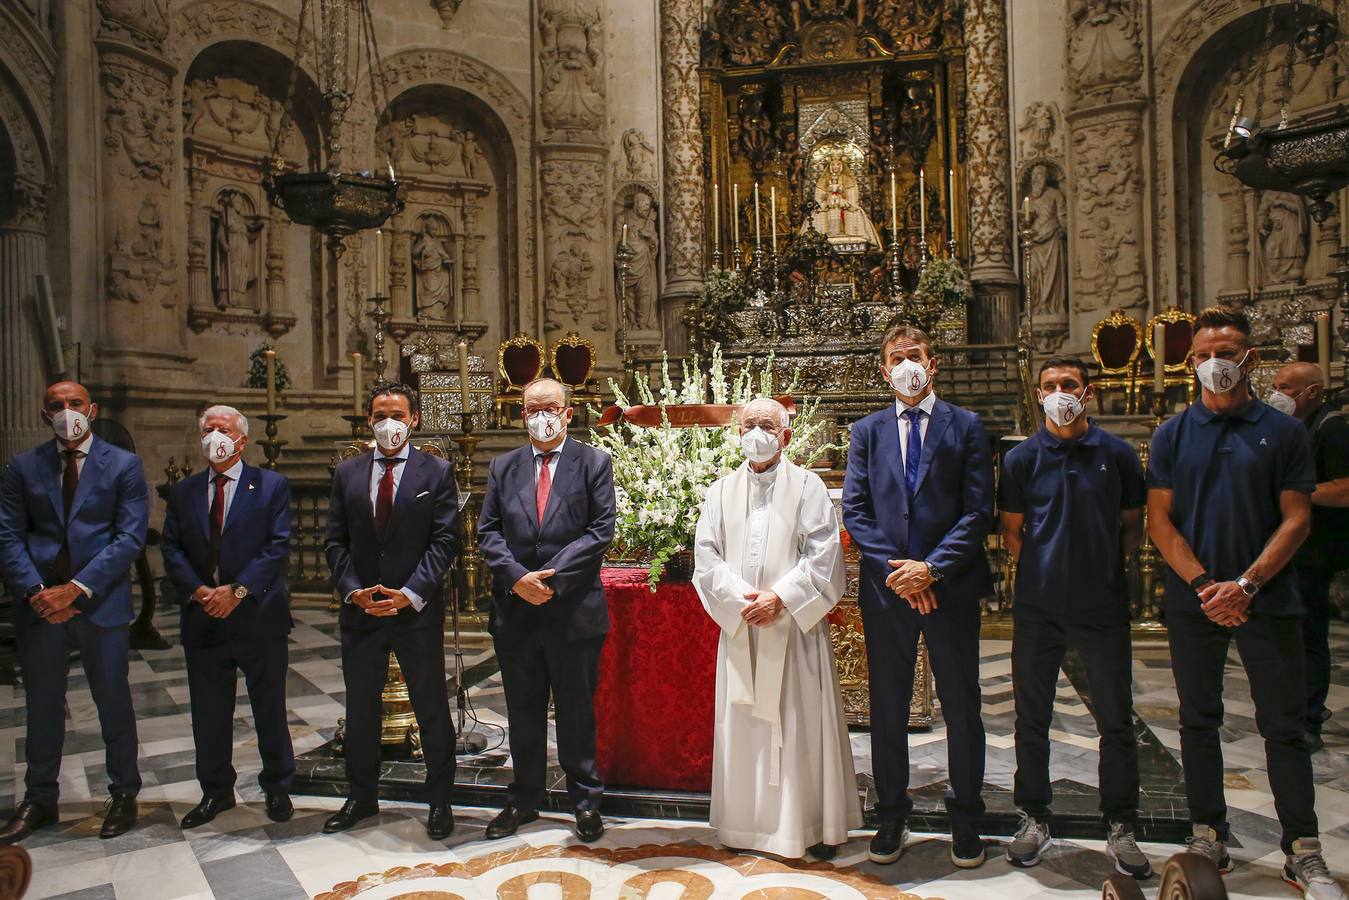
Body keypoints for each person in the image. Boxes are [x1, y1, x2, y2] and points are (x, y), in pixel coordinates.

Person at [1148, 307, 1344, 900]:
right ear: (1190, 362)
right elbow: (1159, 520)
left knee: (1284, 725)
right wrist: (1207, 585)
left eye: (1227, 352)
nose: (1216, 363)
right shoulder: (1172, 433)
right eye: (1205, 353)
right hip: (1196, 599)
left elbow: (1297, 517)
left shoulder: (1284, 432)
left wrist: (1247, 585)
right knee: (1197, 720)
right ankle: (1209, 831)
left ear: (1249, 359)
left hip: (1270, 596)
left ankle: (1302, 848)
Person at [841, 324, 994, 868]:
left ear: (934, 365)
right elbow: (855, 510)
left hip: (949, 587)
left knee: (961, 703)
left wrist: (931, 569)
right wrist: (900, 572)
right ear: (884, 370)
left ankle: (968, 816)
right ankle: (890, 815)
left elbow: (978, 511)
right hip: (888, 592)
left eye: (915, 356)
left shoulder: (968, 426)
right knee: (888, 707)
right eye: (896, 357)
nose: (906, 365)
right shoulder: (868, 430)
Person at [998, 358, 1151, 878]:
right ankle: (1035, 815)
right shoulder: (1020, 459)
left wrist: (1099, 565)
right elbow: (1013, 530)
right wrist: (1046, 569)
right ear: (1037, 393)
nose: (1059, 393)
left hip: (1102, 606)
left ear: (1087, 392)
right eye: (1050, 386)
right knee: (1030, 719)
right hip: (1039, 608)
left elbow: (1133, 525)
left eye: (1069, 385)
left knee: (1115, 718)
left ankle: (1121, 822)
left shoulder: (1117, 454)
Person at [693, 397, 862, 860]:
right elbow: (705, 559)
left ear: (786, 436)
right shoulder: (718, 492)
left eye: (767, 425)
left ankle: (809, 824)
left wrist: (780, 598)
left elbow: (824, 555)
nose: (757, 432)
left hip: (794, 633)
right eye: (749, 425)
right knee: (746, 724)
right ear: (737, 434)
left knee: (799, 725)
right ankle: (744, 827)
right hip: (743, 629)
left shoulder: (808, 488)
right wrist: (743, 601)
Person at [0, 381, 148, 843]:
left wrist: (77, 590)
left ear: (92, 409)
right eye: (57, 407)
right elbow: (8, 534)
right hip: (41, 606)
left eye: (75, 404)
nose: (67, 412)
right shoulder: (23, 467)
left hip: (98, 603)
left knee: (113, 701)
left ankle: (123, 793)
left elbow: (128, 536)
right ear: (46, 416)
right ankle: (40, 797)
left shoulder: (123, 465)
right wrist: (38, 593)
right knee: (42, 706)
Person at [477, 377, 616, 843]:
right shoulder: (503, 466)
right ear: (522, 416)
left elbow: (599, 531)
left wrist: (548, 580)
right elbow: (488, 532)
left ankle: (585, 801)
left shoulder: (594, 462)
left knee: (576, 711)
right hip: (516, 611)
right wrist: (517, 578)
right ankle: (524, 797)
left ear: (567, 412)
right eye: (532, 409)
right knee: (523, 711)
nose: (541, 416)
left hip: (572, 609)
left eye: (549, 407)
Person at [324, 383, 460, 839]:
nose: (389, 423)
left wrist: (412, 592)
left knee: (431, 705)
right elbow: (335, 541)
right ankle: (361, 797)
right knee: (361, 708)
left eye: (397, 414)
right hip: (362, 610)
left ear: (414, 419)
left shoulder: (437, 471)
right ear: (368, 421)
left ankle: (440, 800)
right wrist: (352, 590)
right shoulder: (347, 473)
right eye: (380, 414)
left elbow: (445, 541)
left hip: (415, 611)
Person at [160, 405, 295, 828]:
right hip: (204, 616)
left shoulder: (270, 485)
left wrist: (237, 591)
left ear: (241, 439)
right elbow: (171, 548)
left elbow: (276, 546)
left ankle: (277, 787)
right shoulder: (185, 492)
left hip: (257, 615)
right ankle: (216, 791)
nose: (214, 436)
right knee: (208, 711)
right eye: (208, 429)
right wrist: (200, 591)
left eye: (223, 429)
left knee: (269, 708)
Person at [1268, 362, 1349, 754]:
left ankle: (1310, 716)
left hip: (1316, 550)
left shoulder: (1331, 428)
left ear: (1312, 392)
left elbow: (1346, 488)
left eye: (1286, 387)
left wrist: (1296, 491)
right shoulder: (1286, 428)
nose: (1277, 393)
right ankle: (1291, 708)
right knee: (1286, 634)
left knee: (1309, 634)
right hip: (1287, 547)